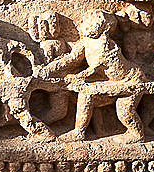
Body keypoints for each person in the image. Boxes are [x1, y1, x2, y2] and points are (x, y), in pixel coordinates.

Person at [63, 10, 146, 144]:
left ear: (104, 27)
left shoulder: (105, 44)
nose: (84, 24)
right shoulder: (86, 41)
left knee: (124, 111)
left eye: (90, 22)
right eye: (86, 21)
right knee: (86, 94)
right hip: (115, 81)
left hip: (132, 79)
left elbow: (96, 67)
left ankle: (137, 134)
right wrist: (48, 70)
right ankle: (86, 131)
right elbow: (71, 59)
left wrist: (78, 76)